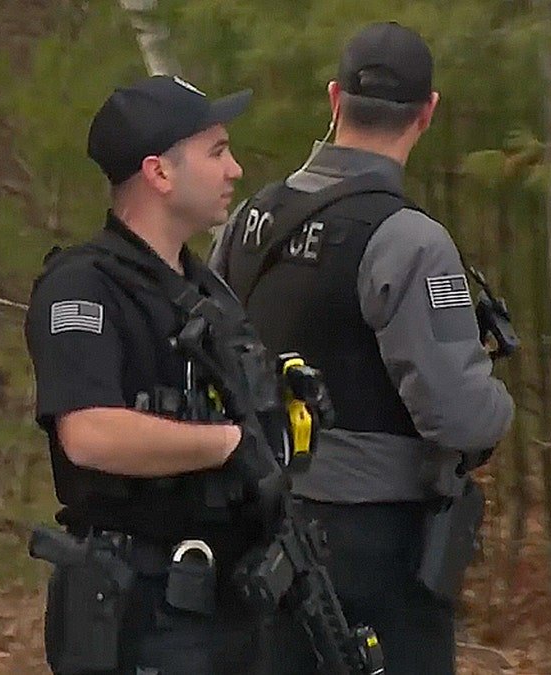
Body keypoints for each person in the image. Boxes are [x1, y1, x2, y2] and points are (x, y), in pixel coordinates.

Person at [210, 22, 514, 674]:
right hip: (371, 549)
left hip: (255, 533)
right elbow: (460, 416)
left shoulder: (250, 220)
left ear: (333, 100)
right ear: (428, 113)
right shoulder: (411, 240)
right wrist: (497, 402)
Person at [25, 74, 276, 675]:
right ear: (160, 173)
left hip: (222, 603)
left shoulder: (204, 288)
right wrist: (228, 444)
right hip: (138, 610)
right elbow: (89, 434)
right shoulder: (82, 286)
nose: (235, 170)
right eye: (216, 152)